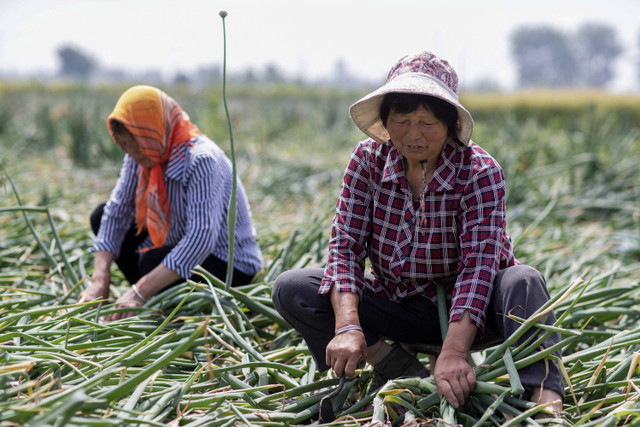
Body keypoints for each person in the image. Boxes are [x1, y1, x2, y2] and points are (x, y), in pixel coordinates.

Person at [272, 52, 563, 413]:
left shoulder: (478, 171)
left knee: (524, 280)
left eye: (427, 123)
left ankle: (544, 400)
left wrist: (455, 351)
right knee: (294, 287)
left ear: (450, 125)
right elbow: (345, 248)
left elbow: (479, 267)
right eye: (403, 120)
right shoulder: (367, 160)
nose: (413, 135)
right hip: (398, 303)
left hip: (473, 311)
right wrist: (348, 325)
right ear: (385, 120)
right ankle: (390, 365)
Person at [80, 85, 263, 321]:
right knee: (101, 216)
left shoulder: (202, 160)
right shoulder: (142, 154)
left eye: (136, 143)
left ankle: (150, 300)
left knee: (151, 262)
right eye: (124, 144)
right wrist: (99, 278)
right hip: (175, 243)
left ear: (154, 130)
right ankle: (152, 297)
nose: (132, 152)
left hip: (229, 266)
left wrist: (141, 289)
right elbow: (117, 211)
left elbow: (201, 239)